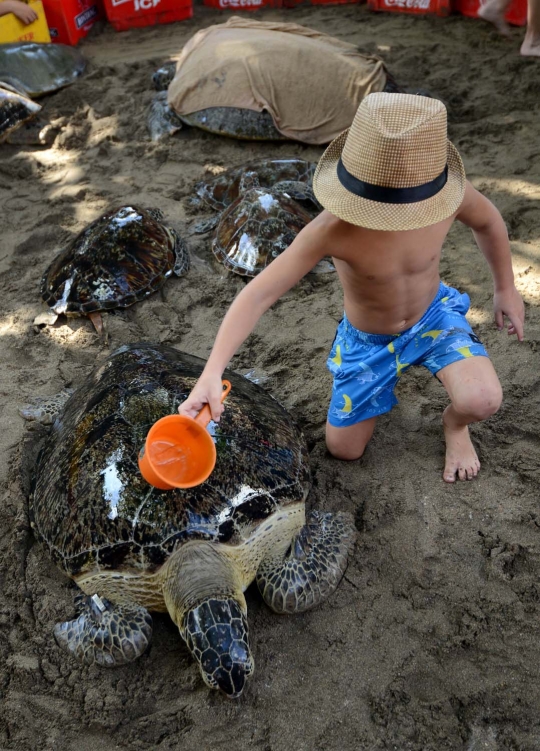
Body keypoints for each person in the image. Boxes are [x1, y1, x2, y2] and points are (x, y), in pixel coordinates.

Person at [178, 93, 525, 484]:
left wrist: (505, 288)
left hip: (433, 317)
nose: (398, 218)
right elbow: (259, 293)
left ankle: (454, 426)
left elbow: (490, 222)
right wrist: (212, 371)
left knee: (481, 400)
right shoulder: (331, 229)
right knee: (344, 449)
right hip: (368, 341)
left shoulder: (446, 197)